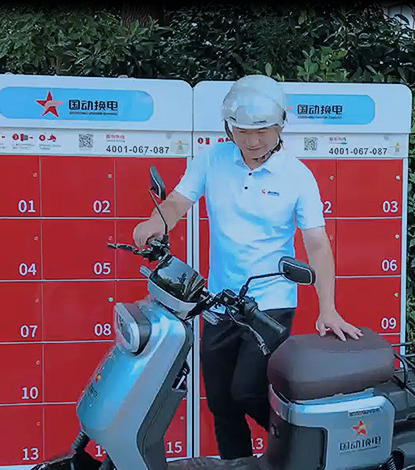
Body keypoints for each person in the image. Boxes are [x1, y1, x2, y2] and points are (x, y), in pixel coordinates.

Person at [132, 74, 362, 460]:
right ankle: (236, 465)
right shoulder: (212, 159)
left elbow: (317, 244)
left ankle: (304, 449)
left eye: (262, 131)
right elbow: (177, 202)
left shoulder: (297, 176)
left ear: (280, 125)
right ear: (229, 128)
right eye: (242, 131)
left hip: (270, 302)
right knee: (221, 403)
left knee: (247, 391)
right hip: (219, 302)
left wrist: (328, 308)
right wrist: (156, 222)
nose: (252, 141)